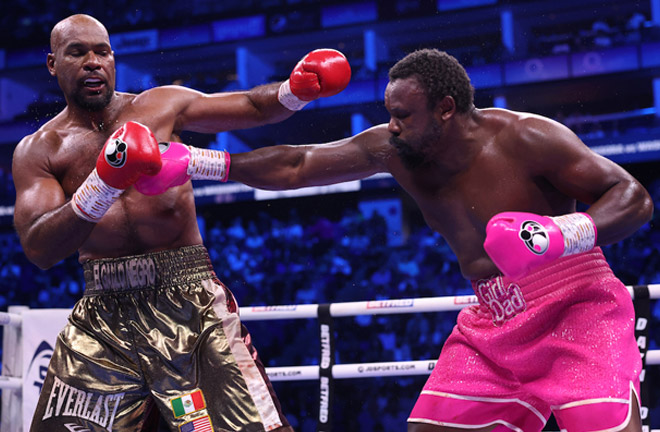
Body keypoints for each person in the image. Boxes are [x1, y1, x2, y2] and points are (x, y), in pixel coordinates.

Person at [188, 49, 649, 431]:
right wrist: (200, 163)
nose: (392, 126)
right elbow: (298, 164)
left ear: (446, 108)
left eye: (403, 115)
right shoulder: (396, 151)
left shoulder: (526, 136)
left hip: (575, 305)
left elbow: (633, 196)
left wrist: (558, 232)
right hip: (495, 317)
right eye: (390, 115)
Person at [12, 14, 351, 432]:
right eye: (77, 53)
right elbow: (39, 248)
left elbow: (252, 106)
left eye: (102, 52)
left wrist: (293, 91)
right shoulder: (40, 150)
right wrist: (103, 183)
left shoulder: (159, 104)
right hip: (103, 315)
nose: (93, 62)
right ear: (52, 64)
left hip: (191, 300)